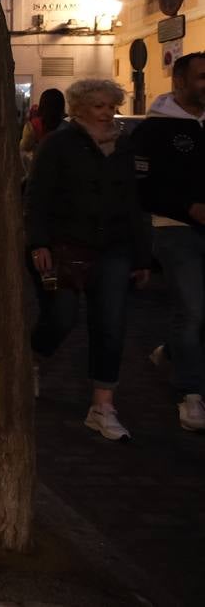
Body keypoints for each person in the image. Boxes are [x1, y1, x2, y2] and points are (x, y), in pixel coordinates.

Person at [25, 79, 151, 440]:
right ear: (79, 109)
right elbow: (37, 198)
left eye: (111, 105)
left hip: (113, 247)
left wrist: (142, 256)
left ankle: (103, 404)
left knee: (111, 323)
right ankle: (32, 357)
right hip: (65, 245)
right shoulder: (58, 145)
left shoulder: (123, 147)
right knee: (61, 317)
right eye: (99, 106)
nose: (107, 112)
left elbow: (132, 204)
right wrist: (39, 243)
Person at [131, 52, 205, 433]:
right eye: (202, 77)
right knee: (191, 310)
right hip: (174, 229)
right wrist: (189, 207)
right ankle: (191, 393)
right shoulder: (153, 131)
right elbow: (144, 188)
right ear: (179, 82)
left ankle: (172, 351)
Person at [21, 88, 67, 178]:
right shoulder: (67, 127)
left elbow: (24, 147)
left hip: (38, 170)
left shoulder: (32, 125)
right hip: (63, 172)